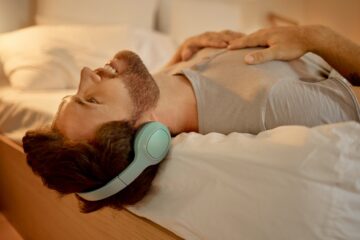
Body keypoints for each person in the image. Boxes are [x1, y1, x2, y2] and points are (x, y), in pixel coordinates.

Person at [22, 25, 360, 213]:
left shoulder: (159, 88)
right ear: (148, 135)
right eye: (91, 99)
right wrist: (314, 36)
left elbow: (146, 101)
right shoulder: (268, 105)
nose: (85, 73)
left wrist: (184, 57)